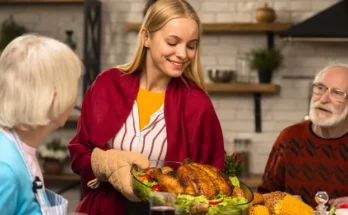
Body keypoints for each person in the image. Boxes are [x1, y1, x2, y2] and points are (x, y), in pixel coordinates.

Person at [68, 0, 225, 214]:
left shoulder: (197, 103)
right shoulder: (107, 85)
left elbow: (213, 176)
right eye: (172, 42)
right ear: (146, 37)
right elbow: (79, 156)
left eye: (191, 45)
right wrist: (107, 163)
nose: (183, 54)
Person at [0, 34, 83, 214]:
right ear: (54, 95)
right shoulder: (5, 170)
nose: (75, 97)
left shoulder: (19, 150)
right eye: (73, 86)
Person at [258, 63, 348, 208]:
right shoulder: (289, 137)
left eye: (337, 93)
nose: (324, 99)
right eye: (320, 88)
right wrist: (280, 201)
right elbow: (262, 196)